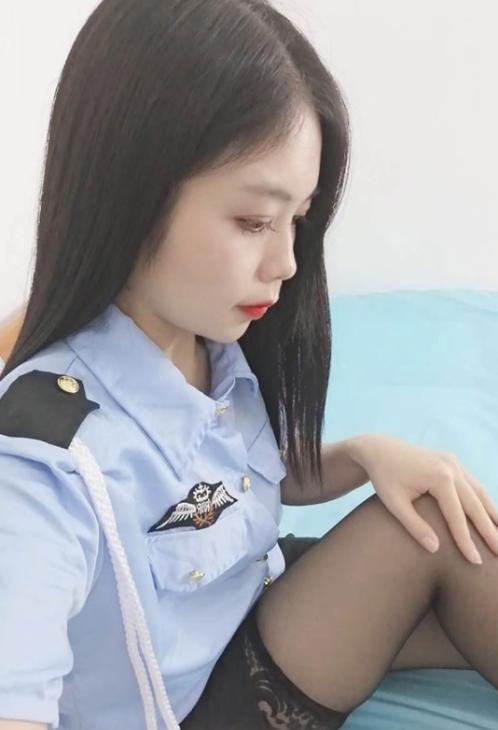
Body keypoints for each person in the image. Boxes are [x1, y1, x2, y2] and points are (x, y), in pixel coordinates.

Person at [2, 1, 498, 729]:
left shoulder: (210, 345)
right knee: (427, 537)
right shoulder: (44, 465)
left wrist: (362, 454)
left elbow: (232, 484)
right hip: (195, 704)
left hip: (249, 595)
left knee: (441, 522)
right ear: (130, 189)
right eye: (254, 221)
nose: (287, 262)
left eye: (297, 220)